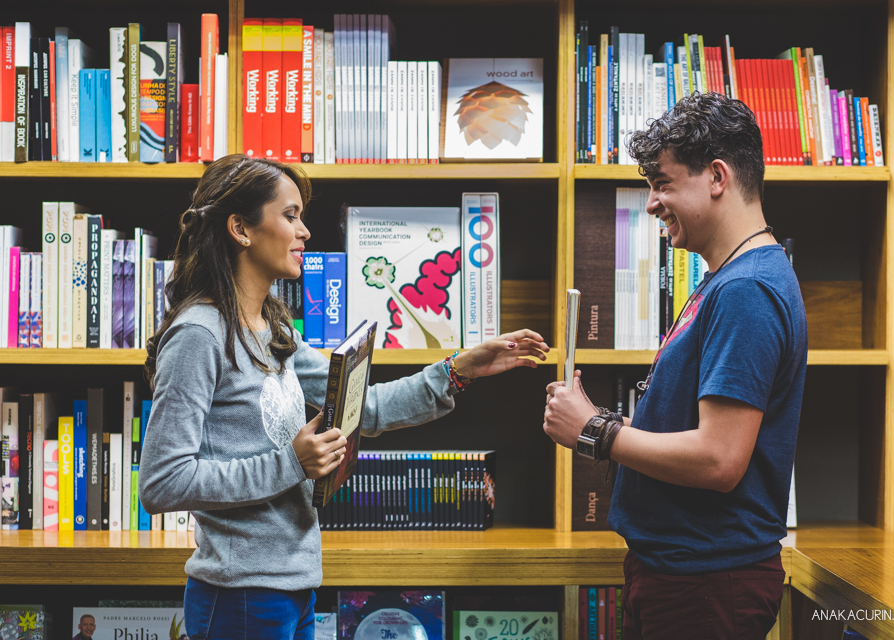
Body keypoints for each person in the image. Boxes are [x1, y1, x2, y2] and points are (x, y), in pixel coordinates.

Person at [138, 154, 549, 640]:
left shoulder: (272, 330)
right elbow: (162, 482)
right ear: (240, 229)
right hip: (239, 596)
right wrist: (292, 462)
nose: (305, 231)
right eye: (290, 215)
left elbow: (366, 409)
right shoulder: (199, 335)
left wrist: (458, 370)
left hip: (295, 586)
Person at [543, 92, 807, 639]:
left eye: (662, 184)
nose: (651, 203)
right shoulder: (726, 279)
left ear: (716, 176)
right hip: (683, 576)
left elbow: (718, 459)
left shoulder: (747, 290)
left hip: (707, 585)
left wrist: (593, 429)